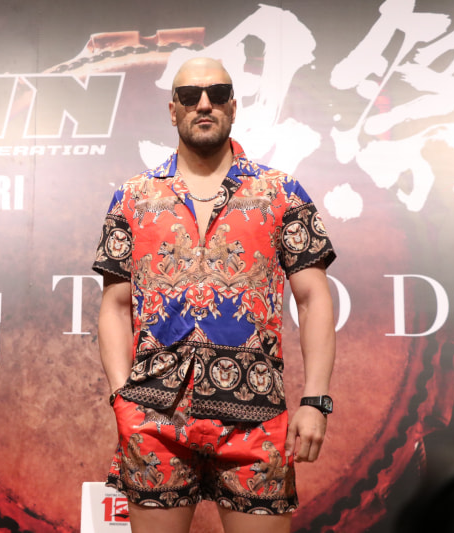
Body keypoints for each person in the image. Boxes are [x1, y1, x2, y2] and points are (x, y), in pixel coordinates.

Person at [92, 57, 337, 533]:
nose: (203, 104)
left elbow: (313, 300)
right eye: (189, 96)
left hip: (257, 415)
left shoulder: (281, 192)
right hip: (154, 418)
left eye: (217, 93)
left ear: (233, 106)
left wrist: (316, 400)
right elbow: (115, 308)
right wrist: (123, 400)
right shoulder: (133, 197)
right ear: (173, 110)